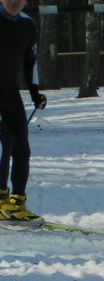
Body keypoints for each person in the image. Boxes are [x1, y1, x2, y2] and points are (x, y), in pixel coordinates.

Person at [0, 0, 47, 222]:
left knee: (21, 147)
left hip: (8, 92)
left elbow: (30, 62)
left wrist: (35, 93)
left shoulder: (28, 25)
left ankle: (16, 202)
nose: (15, 3)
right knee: (3, 144)